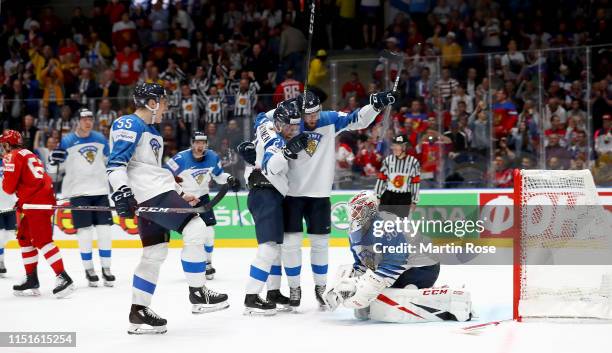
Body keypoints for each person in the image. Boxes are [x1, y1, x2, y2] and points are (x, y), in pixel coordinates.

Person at [106, 83, 228, 335]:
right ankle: (198, 292)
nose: (166, 107)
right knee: (196, 228)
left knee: (154, 253)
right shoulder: (129, 123)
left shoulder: (152, 131)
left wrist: (182, 193)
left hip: (153, 191)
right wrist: (122, 191)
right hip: (151, 194)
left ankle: (138, 311)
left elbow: (152, 169)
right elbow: (115, 163)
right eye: (162, 102)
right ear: (151, 103)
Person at [282, 89, 396, 309]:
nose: (313, 118)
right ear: (300, 112)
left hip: (320, 195)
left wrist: (374, 106)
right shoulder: (291, 121)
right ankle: (294, 287)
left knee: (320, 245)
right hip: (292, 195)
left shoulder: (329, 119)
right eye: (309, 114)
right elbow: (264, 120)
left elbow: (357, 120)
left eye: (317, 112)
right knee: (291, 246)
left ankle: (321, 287)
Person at [324, 191, 472, 323]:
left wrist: (367, 286)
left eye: (358, 210)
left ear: (370, 209)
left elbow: (396, 261)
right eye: (353, 211)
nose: (354, 215)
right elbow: (362, 264)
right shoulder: (354, 232)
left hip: (422, 269)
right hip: (403, 266)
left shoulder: (386, 225)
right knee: (354, 284)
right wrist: (343, 287)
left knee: (381, 294)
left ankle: (435, 297)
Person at [242, 100, 308, 315]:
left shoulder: (265, 123)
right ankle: (251, 297)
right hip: (265, 191)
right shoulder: (276, 142)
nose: (292, 131)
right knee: (269, 247)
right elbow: (271, 167)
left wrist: (289, 105)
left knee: (276, 248)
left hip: (268, 194)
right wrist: (287, 152)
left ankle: (273, 292)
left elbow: (261, 114)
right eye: (289, 127)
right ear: (279, 124)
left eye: (295, 127)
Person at [0, 130, 75, 297]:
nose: (1, 148)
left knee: (42, 240)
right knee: (25, 238)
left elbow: (8, 188)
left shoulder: (11, 156)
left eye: (2, 145)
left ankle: (63, 277)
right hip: (37, 200)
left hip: (36, 203)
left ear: (7, 144)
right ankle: (31, 278)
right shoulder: (28, 153)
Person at [48, 108, 115, 287]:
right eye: (84, 118)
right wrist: (53, 159)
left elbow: (110, 161)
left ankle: (106, 269)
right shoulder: (67, 140)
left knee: (105, 232)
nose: (88, 121)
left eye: (90, 118)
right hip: (78, 193)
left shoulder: (101, 139)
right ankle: (89, 269)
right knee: (84, 233)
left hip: (100, 191)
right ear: (78, 121)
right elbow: (56, 168)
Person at [164, 132, 241, 280]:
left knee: (209, 231)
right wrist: (180, 194)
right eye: (197, 143)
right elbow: (165, 177)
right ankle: (192, 264)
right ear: (192, 143)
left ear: (206, 144)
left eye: (203, 143)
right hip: (183, 199)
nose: (200, 146)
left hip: (202, 197)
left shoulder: (212, 157)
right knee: (191, 234)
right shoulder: (180, 159)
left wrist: (229, 178)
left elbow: (219, 176)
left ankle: (207, 262)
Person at [374, 135, 421, 218]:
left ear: (404, 147)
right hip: (388, 196)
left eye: (397, 145)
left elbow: (415, 183)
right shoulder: (388, 160)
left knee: (401, 225)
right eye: (394, 145)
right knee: (383, 222)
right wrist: (377, 196)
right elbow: (381, 179)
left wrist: (414, 201)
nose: (394, 148)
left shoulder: (413, 162)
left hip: (404, 197)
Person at [0, 156, 17, 276]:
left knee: (9, 234)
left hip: (10, 204)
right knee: (0, 234)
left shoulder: (10, 160)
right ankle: (1, 261)